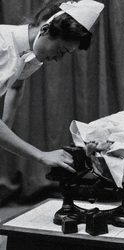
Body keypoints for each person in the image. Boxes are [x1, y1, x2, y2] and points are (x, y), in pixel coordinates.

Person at [0, 0, 104, 172]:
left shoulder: (31, 55)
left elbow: (17, 84)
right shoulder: (3, 46)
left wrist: (6, 125)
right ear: (45, 30)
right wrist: (42, 155)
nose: (58, 58)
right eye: (61, 50)